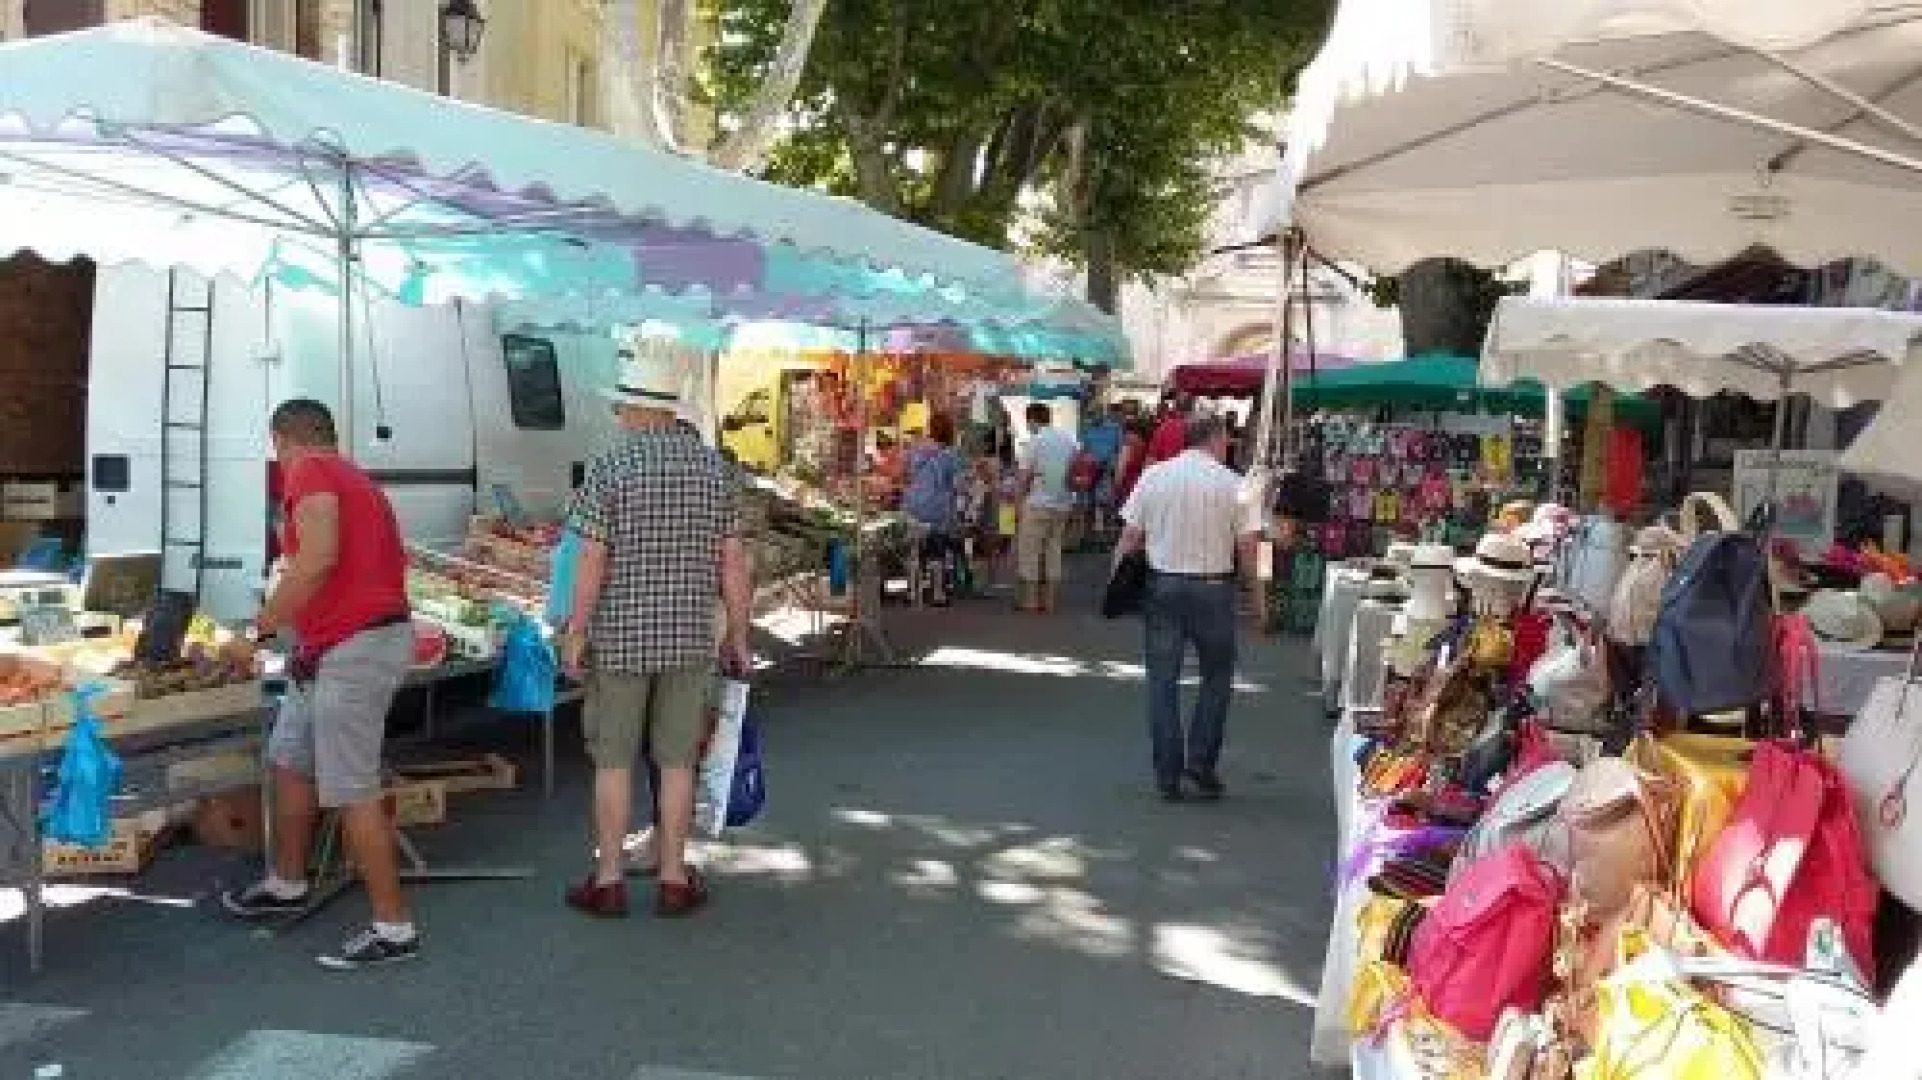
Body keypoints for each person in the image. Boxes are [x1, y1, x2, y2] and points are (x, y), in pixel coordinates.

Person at [221, 398, 419, 971]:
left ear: (283, 439)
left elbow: (318, 558)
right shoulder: (357, 477)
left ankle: (393, 926)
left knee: (351, 787)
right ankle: (287, 880)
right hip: (332, 647)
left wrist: (258, 632)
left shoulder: (311, 472)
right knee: (290, 759)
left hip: (354, 649)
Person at [556, 350, 752, 919]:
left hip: (620, 638)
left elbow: (591, 557)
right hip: (691, 637)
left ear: (637, 410)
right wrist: (738, 635)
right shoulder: (715, 469)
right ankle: (672, 878)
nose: (618, 415)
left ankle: (610, 879)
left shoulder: (610, 467)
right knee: (676, 763)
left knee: (613, 761)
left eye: (622, 406)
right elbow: (733, 562)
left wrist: (577, 628)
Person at [1114, 415, 1260, 803]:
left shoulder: (1154, 477)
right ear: (1217, 440)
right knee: (1216, 676)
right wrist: (1258, 597)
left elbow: (1129, 536)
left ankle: (1167, 771)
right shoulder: (1235, 484)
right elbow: (1248, 548)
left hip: (1163, 585)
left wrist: (1117, 582)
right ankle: (1201, 762)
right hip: (1213, 589)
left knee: (1162, 679)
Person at [1013, 402, 1079, 612]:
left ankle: (1031, 601)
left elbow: (1024, 477)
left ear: (1032, 420)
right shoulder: (1068, 440)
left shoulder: (1035, 441)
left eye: (1028, 422)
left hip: (1038, 503)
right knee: (1053, 550)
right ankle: (1050, 601)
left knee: (1030, 551)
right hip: (1063, 503)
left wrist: (1017, 504)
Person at [902, 412, 964, 605]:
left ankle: (912, 593)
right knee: (936, 549)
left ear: (930, 428)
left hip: (914, 504)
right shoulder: (950, 454)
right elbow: (956, 484)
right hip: (938, 507)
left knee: (914, 550)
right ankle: (937, 594)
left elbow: (908, 475)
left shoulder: (916, 450)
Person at [1080, 403, 1125, 534]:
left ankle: (1105, 532)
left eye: (1093, 414)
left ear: (1102, 414)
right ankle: (1088, 532)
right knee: (1088, 502)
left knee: (1106, 501)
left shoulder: (1114, 428)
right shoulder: (1086, 428)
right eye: (1089, 415)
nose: (1091, 418)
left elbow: (1120, 450)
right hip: (1089, 469)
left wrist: (1116, 467)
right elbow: (1083, 448)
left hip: (1106, 469)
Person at [1146, 392, 1194, 465]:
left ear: (1174, 404)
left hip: (1165, 472)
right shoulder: (1197, 430)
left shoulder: (1162, 429)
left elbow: (1150, 461)